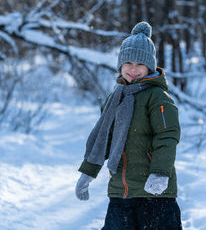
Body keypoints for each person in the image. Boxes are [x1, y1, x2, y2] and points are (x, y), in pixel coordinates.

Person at [75, 22, 182, 229]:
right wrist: (88, 173)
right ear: (120, 65)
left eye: (140, 64)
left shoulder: (158, 97)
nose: (133, 69)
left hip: (154, 194)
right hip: (120, 193)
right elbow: (103, 139)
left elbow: (167, 136)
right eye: (128, 63)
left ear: (149, 67)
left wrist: (160, 172)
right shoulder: (115, 98)